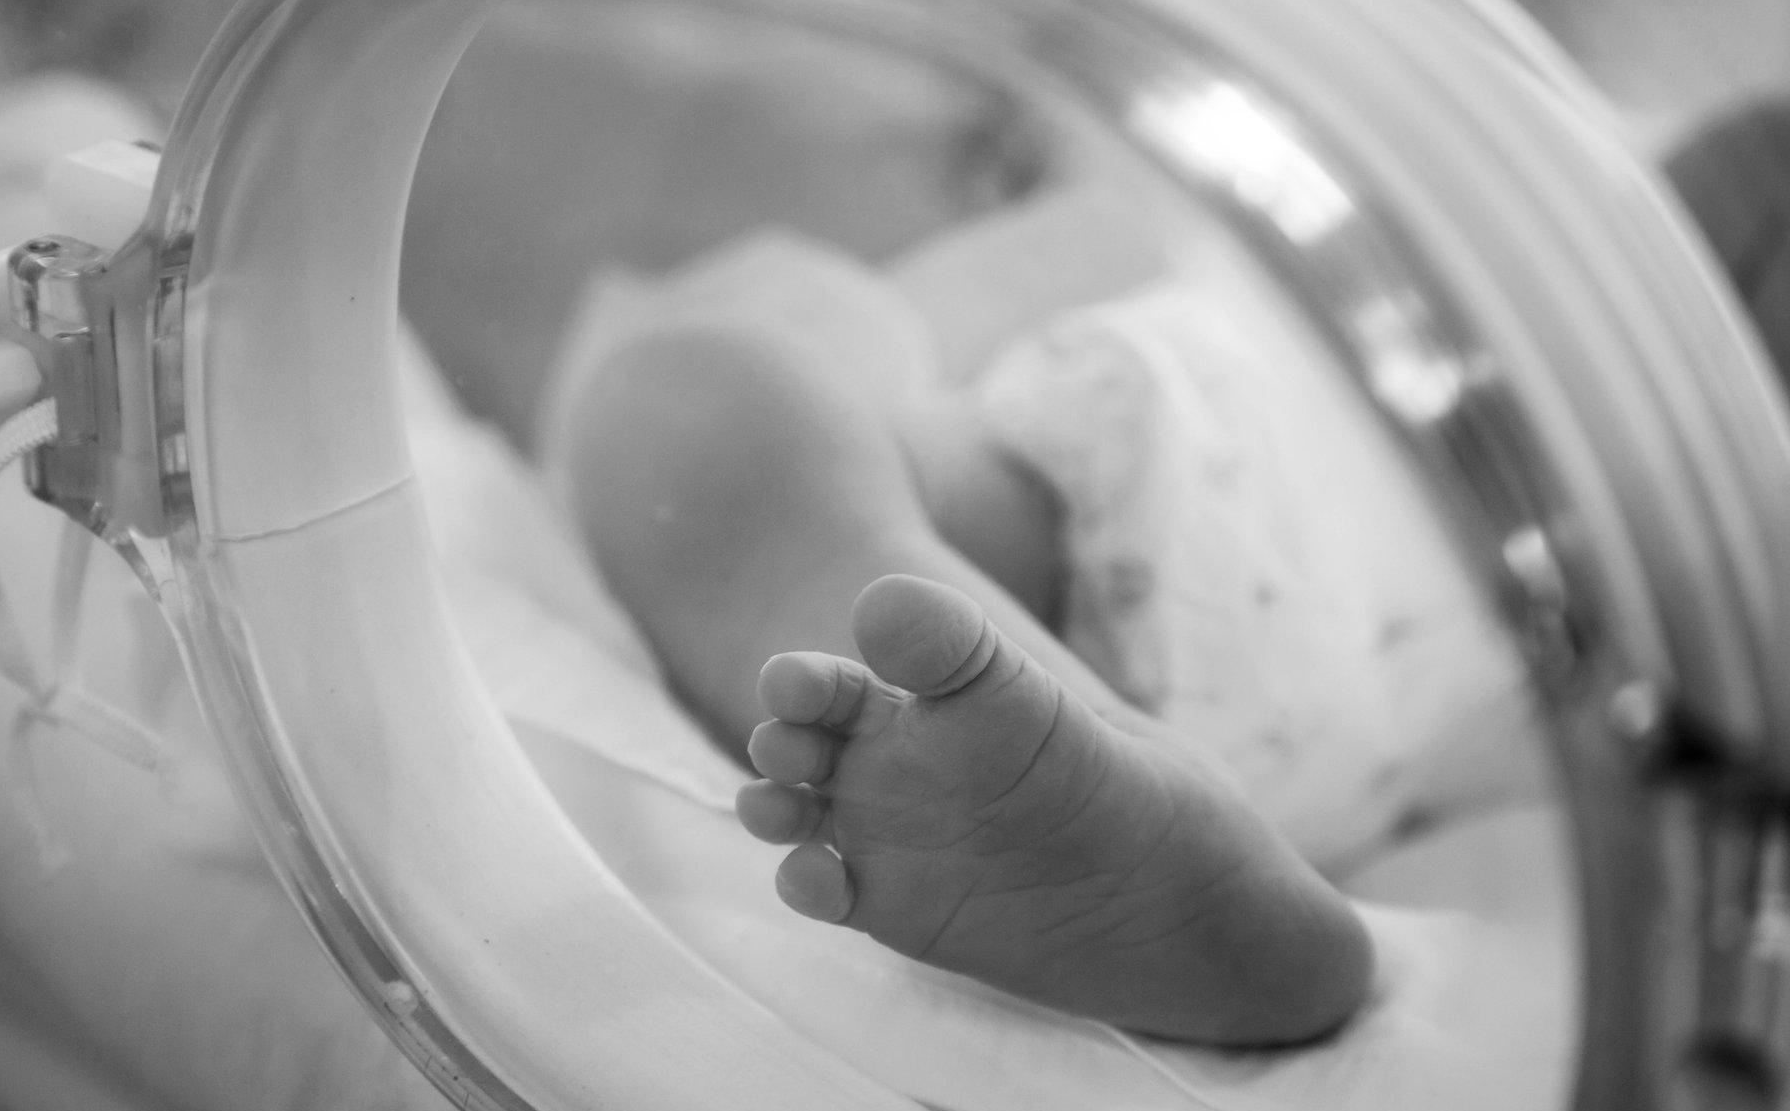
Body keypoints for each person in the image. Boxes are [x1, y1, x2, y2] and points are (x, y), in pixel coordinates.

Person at [544, 230, 1378, 1047]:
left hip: (1157, 435)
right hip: (1377, 682)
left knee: (684, 407)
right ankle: (1210, 879)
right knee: (716, 413)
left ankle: (867, 626)